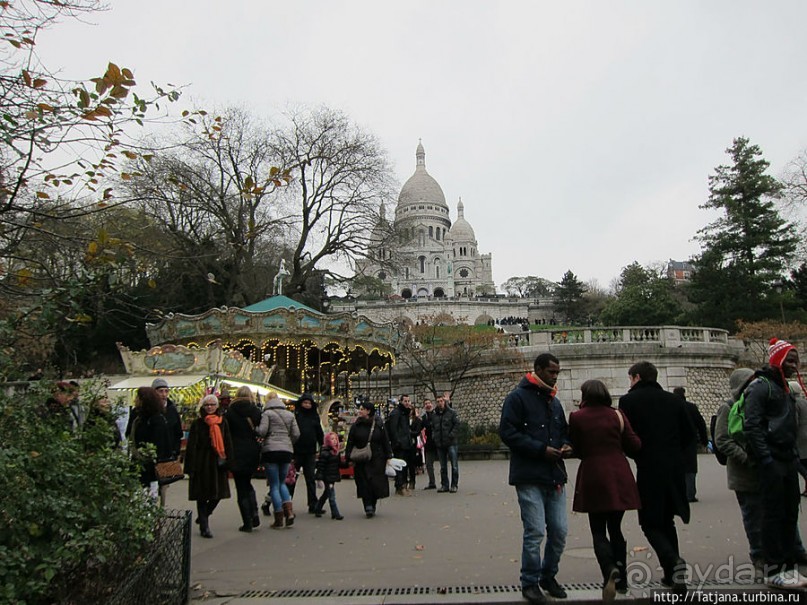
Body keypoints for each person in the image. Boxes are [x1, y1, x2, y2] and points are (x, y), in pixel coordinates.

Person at [500, 353, 572, 603]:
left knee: (560, 531)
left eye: (557, 373)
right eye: (551, 372)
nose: (555, 377)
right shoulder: (517, 398)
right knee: (534, 531)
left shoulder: (555, 402)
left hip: (555, 476)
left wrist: (566, 445)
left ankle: (548, 575)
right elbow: (507, 432)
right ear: (538, 369)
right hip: (529, 475)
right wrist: (540, 450)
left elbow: (563, 431)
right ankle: (529, 581)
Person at [619, 361, 694, 594]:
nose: (630, 383)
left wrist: (636, 453)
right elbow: (689, 434)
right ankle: (672, 576)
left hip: (649, 466)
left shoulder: (628, 401)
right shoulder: (673, 400)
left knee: (650, 522)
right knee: (667, 520)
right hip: (675, 466)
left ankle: (673, 561)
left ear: (637, 377)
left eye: (631, 378)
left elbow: (627, 436)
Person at [569, 380, 641, 602]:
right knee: (616, 529)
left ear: (585, 395)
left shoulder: (577, 418)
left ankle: (608, 568)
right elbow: (635, 445)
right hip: (618, 473)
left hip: (593, 474)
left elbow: (576, 447)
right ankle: (622, 580)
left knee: (598, 530)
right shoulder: (617, 415)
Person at [744, 339, 807, 587]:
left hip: (786, 457)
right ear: (778, 359)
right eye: (790, 359)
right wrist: (766, 458)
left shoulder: (783, 388)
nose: (795, 364)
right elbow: (752, 425)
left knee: (789, 513)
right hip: (772, 458)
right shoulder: (761, 387)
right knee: (772, 515)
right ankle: (774, 569)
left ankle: (788, 566)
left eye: (796, 358)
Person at [714, 368, 763, 571]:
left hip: (768, 471)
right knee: (753, 516)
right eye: (752, 380)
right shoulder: (728, 407)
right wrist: (746, 457)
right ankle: (758, 554)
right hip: (744, 474)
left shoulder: (761, 405)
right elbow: (721, 440)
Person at [184, 394, 234, 539]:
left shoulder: (222, 422)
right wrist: (190, 467)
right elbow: (192, 446)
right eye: (207, 405)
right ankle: (205, 527)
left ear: (217, 406)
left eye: (212, 405)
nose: (210, 407)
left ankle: (204, 515)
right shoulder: (198, 423)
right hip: (202, 464)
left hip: (219, 463)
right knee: (202, 496)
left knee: (217, 495)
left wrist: (230, 461)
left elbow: (228, 442)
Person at [256, 392, 300, 529]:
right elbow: (296, 434)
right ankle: (290, 512)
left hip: (271, 451)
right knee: (282, 483)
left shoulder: (267, 414)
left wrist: (255, 429)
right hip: (286, 451)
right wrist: (288, 442)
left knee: (274, 485)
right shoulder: (290, 414)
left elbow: (262, 431)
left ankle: (279, 518)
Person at [224, 386, 263, 532]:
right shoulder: (255, 411)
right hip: (252, 450)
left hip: (236, 451)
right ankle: (254, 514)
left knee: (241, 487)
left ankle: (247, 521)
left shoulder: (230, 411)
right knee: (248, 483)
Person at [346, 400, 393, 518]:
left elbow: (385, 440)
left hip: (377, 458)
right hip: (361, 458)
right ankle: (367, 505)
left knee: (375, 482)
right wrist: (348, 457)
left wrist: (388, 455)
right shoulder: (356, 425)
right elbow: (350, 442)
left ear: (368, 411)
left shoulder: (378, 424)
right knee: (363, 482)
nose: (359, 411)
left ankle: (373, 502)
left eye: (362, 409)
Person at [130, 386, 173, 500]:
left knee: (148, 498)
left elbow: (160, 446)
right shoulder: (139, 417)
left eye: (137, 397)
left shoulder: (156, 419)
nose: (135, 400)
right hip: (140, 465)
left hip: (151, 469)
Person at [151, 378, 184, 506]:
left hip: (167, 455)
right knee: (151, 485)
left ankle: (161, 510)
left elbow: (178, 433)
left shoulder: (171, 410)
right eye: (160, 391)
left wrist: (175, 451)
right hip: (152, 454)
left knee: (164, 485)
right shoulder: (148, 410)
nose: (164, 394)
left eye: (166, 391)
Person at [673, 387, 709, 503]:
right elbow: (701, 424)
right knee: (690, 468)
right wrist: (704, 440)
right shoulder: (691, 407)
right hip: (689, 442)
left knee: (676, 468)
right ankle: (690, 494)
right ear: (684, 394)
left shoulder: (670, 406)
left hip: (674, 442)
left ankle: (678, 494)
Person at [292, 393, 324, 514]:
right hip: (297, 451)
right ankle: (288, 502)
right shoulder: (296, 416)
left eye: (309, 403)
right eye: (305, 402)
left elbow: (319, 432)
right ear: (301, 403)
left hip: (310, 452)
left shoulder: (314, 417)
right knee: (292, 478)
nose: (307, 405)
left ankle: (313, 504)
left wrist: (323, 445)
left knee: (310, 478)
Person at [386, 394, 416, 495]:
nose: (407, 403)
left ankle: (403, 485)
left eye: (408, 401)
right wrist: (397, 441)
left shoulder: (405, 413)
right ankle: (400, 486)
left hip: (406, 443)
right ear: (401, 402)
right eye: (405, 401)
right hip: (399, 444)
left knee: (405, 466)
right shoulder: (396, 413)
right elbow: (393, 429)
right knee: (400, 467)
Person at [432, 394, 460, 493]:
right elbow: (433, 428)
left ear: (444, 402)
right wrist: (434, 437)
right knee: (443, 466)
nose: (440, 403)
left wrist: (451, 435)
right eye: (438, 401)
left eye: (441, 401)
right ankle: (445, 485)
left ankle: (454, 485)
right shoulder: (434, 415)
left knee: (454, 465)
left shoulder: (451, 413)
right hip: (440, 443)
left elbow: (457, 424)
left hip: (451, 442)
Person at [314, 432, 344, 520]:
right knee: (331, 495)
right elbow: (321, 466)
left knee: (326, 494)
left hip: (333, 476)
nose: (334, 441)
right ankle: (335, 513)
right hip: (327, 477)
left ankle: (317, 508)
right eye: (332, 439)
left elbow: (339, 464)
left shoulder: (336, 453)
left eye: (335, 439)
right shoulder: (325, 453)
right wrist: (319, 478)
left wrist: (348, 464)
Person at [420, 399, 437, 489]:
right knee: (429, 464)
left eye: (429, 403)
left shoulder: (437, 415)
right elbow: (419, 428)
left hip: (438, 442)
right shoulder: (423, 418)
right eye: (426, 404)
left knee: (443, 464)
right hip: (429, 443)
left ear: (432, 404)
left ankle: (445, 482)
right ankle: (432, 482)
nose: (428, 405)